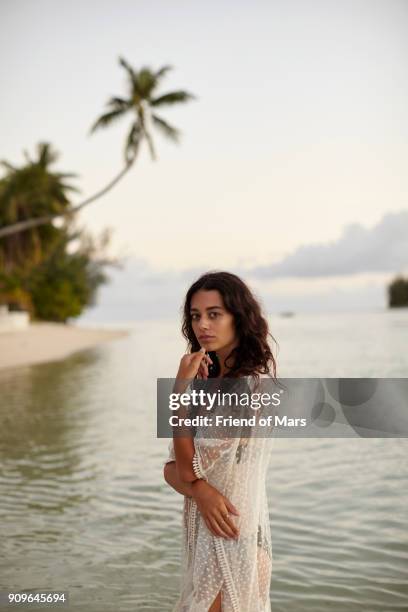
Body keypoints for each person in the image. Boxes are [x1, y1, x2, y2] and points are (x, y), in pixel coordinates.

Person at [163, 271, 278, 612]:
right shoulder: (206, 384)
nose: (203, 325)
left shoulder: (251, 389)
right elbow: (171, 471)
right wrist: (199, 488)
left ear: (238, 319)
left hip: (233, 544)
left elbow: (186, 469)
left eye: (215, 314)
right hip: (207, 544)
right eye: (196, 316)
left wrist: (176, 394)